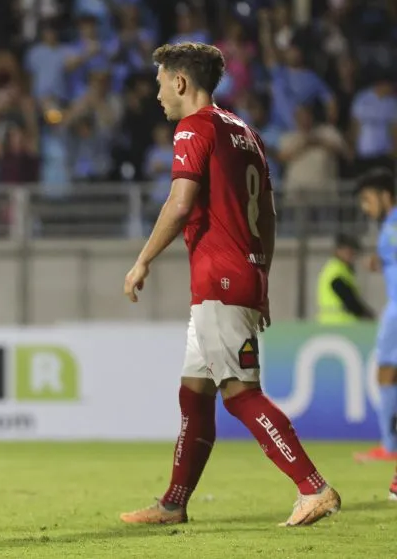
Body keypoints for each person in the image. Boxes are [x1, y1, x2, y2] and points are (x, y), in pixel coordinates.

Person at [120, 42, 340, 527]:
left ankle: (313, 487)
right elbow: (269, 216)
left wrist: (142, 261)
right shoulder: (245, 132)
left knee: (240, 394)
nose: (157, 94)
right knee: (194, 393)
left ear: (180, 81)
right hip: (240, 274)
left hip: (219, 277)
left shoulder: (193, 128)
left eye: (160, 83)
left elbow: (179, 205)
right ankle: (174, 503)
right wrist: (260, 276)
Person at [353, 169, 397, 475]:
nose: (365, 208)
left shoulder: (393, 224)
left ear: (384, 195)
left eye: (368, 200)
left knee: (385, 371)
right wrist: (382, 261)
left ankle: (389, 447)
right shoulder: (390, 227)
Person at [316, 233, 374, 324]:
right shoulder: (336, 270)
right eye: (349, 251)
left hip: (332, 323)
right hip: (340, 324)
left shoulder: (340, 269)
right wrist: (367, 315)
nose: (353, 255)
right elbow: (348, 299)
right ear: (339, 251)